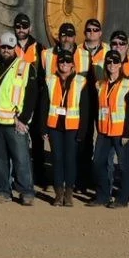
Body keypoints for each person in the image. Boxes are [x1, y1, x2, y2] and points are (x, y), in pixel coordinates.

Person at [0, 32, 36, 205]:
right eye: (3, 46)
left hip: (14, 121)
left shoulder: (25, 67)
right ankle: (2, 190)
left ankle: (26, 191)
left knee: (21, 158)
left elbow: (31, 95)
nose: (6, 50)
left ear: (15, 49)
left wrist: (24, 119)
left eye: (10, 48)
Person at [38, 50, 93, 207]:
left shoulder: (81, 82)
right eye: (61, 62)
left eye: (67, 62)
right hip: (54, 126)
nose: (64, 64)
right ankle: (58, 193)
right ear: (57, 64)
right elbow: (44, 106)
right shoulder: (50, 80)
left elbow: (85, 109)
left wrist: (82, 131)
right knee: (57, 159)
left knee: (70, 160)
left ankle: (69, 193)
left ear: (72, 65)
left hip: (72, 126)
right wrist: (43, 128)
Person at [90, 50, 129, 208]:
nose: (112, 65)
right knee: (98, 162)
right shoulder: (100, 85)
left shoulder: (128, 84)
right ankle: (103, 195)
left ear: (120, 64)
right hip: (104, 131)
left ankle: (123, 198)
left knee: (124, 166)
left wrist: (126, 133)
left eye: (115, 62)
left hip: (121, 132)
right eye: (109, 62)